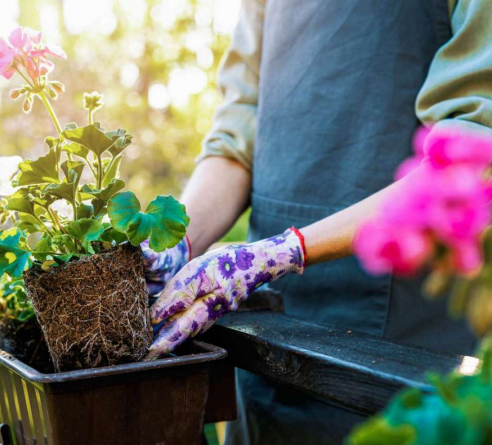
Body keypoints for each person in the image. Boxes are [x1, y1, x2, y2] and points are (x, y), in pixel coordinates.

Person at [142, 0, 492, 443]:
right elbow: (236, 139)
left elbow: (469, 151)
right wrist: (178, 244)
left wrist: (284, 252)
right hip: (265, 326)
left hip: (393, 344)